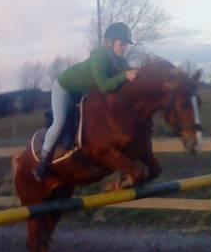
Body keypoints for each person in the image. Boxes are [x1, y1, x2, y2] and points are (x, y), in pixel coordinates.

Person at [33, 22, 139, 181]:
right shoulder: (100, 56)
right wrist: (125, 76)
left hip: (81, 90)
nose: (123, 48)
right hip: (65, 87)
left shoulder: (120, 61)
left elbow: (127, 80)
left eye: (125, 45)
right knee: (60, 122)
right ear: (110, 43)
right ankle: (43, 162)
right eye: (121, 44)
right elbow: (104, 85)